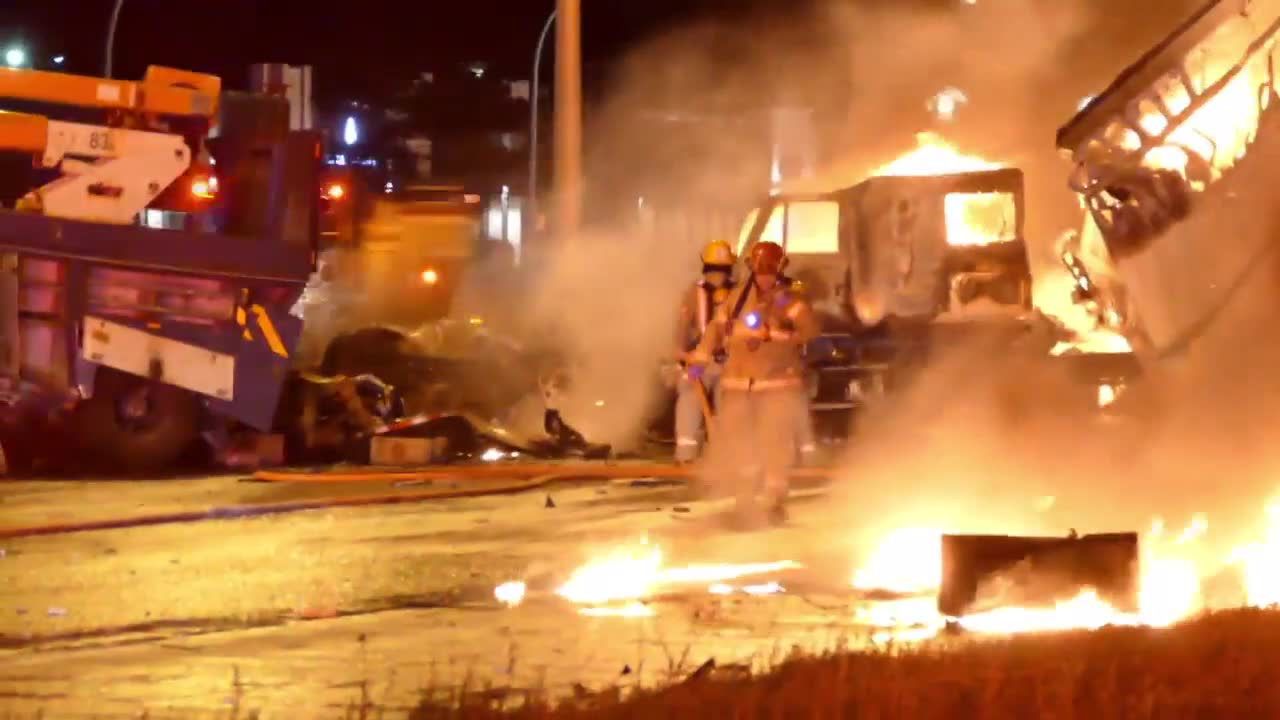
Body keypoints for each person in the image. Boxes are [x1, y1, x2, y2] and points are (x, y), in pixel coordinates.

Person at [687, 241, 819, 524]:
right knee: (738, 442)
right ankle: (744, 500)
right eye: (760, 272)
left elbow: (809, 331)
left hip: (777, 384)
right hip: (738, 383)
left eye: (769, 272)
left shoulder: (787, 301)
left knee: (775, 442)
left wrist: (776, 335)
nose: (764, 278)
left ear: (779, 270)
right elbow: (715, 330)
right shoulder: (735, 299)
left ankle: (773, 500)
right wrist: (701, 356)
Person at [673, 240, 737, 463]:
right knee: (689, 394)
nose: (717, 276)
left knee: (731, 402)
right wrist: (682, 357)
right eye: (714, 271)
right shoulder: (694, 293)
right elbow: (681, 329)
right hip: (699, 363)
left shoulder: (741, 294)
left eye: (721, 271)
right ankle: (687, 452)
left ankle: (728, 454)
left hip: (732, 363)